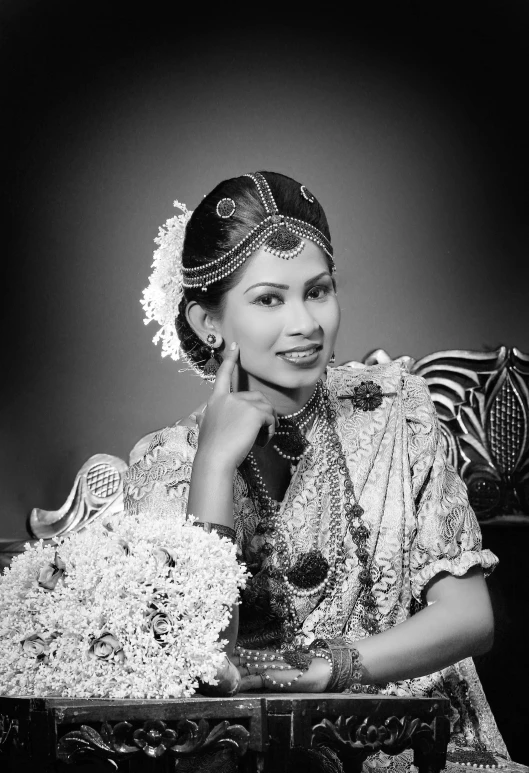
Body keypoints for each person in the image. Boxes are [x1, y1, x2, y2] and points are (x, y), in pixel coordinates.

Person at [125, 171, 525, 772]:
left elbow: (469, 618)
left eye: (318, 291)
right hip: (254, 755)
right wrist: (213, 464)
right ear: (209, 323)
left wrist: (319, 668)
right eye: (268, 299)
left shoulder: (399, 408)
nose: (306, 322)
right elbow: (199, 664)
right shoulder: (163, 464)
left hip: (417, 744)